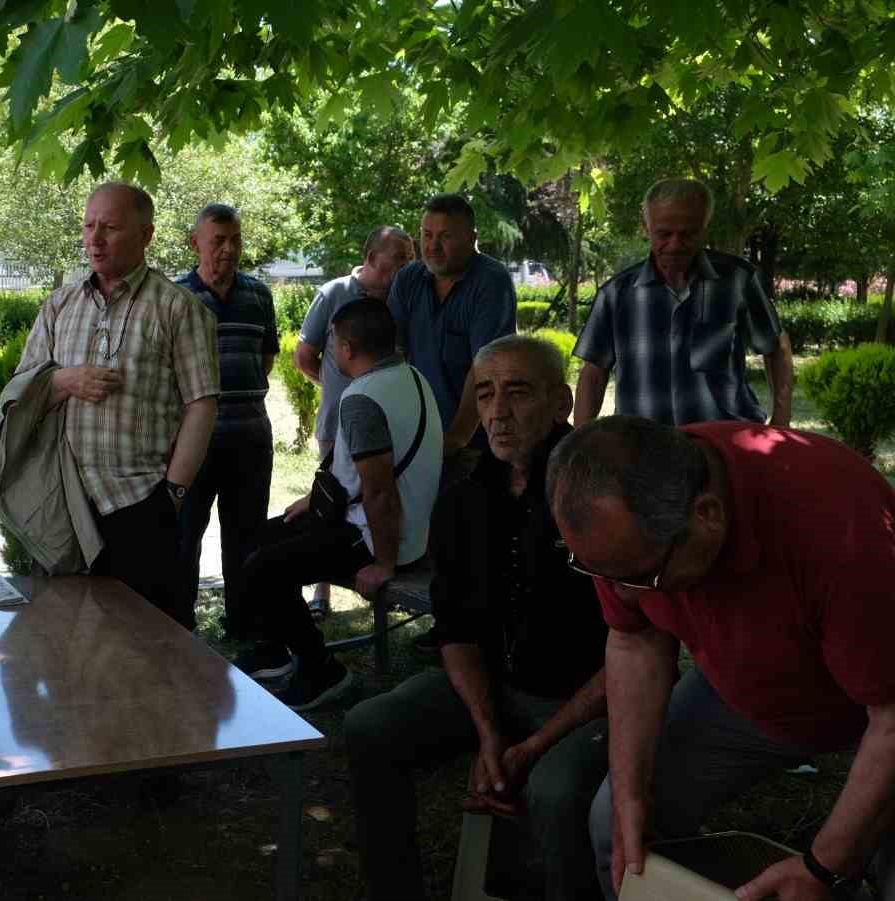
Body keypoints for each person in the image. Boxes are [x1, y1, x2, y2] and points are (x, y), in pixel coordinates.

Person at [548, 416, 895, 900]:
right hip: (743, 692)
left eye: (642, 578)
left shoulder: (843, 531)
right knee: (617, 826)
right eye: (600, 573)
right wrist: (630, 794)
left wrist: (824, 866)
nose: (622, 593)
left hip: (877, 704)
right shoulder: (625, 533)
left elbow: (891, 719)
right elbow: (633, 641)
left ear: (707, 514)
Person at [345, 335, 608, 901]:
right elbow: (456, 629)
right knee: (369, 727)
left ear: (561, 403)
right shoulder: (463, 498)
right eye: (485, 394)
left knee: (555, 791)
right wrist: (490, 729)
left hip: (585, 700)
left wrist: (531, 746)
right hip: (490, 686)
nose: (498, 412)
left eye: (518, 392)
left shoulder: (599, 495)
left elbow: (634, 649)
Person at [14, 182, 219, 629]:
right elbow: (21, 392)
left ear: (146, 235)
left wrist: (173, 493)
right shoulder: (60, 305)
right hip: (66, 503)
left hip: (142, 502)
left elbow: (202, 405)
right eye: (89, 226)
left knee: (150, 639)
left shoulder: (178, 308)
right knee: (66, 634)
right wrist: (65, 380)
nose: (95, 239)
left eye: (110, 227)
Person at [235, 300, 442, 709]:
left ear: (347, 348)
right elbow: (363, 475)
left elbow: (380, 490)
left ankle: (322, 671)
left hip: (380, 539)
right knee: (259, 537)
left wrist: (384, 564)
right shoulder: (412, 376)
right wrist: (312, 500)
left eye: (332, 343)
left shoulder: (362, 398)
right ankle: (273, 652)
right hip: (401, 527)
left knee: (264, 566)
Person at [573, 178, 793, 428]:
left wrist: (781, 419)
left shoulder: (737, 281)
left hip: (725, 439)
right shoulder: (616, 294)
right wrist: (580, 441)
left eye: (688, 234)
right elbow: (593, 374)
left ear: (704, 226)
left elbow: (776, 347)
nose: (675, 245)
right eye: (664, 234)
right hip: (643, 443)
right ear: (646, 227)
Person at [295, 225, 415, 618]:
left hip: (387, 422)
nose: (408, 265)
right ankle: (321, 591)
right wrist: (338, 389)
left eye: (409, 258)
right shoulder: (333, 293)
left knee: (378, 495)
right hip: (337, 423)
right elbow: (304, 356)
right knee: (330, 501)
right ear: (372, 257)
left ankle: (381, 569)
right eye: (400, 257)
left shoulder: (401, 299)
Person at [175, 203, 278, 638]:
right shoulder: (175, 297)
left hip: (251, 440)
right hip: (192, 444)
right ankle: (178, 626)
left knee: (246, 536)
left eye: (235, 239)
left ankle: (245, 623)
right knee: (184, 535)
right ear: (195, 243)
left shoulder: (259, 295)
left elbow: (266, 359)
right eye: (218, 240)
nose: (228, 249)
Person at [387, 192, 517, 456]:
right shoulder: (409, 278)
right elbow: (391, 352)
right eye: (427, 235)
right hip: (417, 429)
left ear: (472, 238)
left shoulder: (491, 282)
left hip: (479, 437)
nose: (433, 246)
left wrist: (456, 439)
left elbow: (485, 366)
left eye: (445, 237)